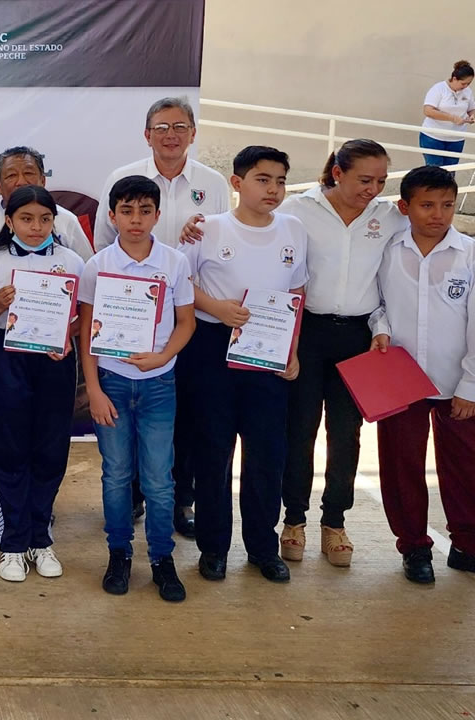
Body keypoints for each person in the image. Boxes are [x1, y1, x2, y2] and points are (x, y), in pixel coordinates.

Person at [97, 97, 229, 536]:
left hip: (192, 317)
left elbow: (220, 250)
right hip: (131, 321)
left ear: (193, 132)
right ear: (146, 133)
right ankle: (132, 497)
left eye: (179, 126)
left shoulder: (211, 184)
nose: (170, 134)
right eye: (160, 127)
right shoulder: (122, 179)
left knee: (184, 413)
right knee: (129, 416)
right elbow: (103, 246)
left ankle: (179, 500)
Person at [178, 146, 307, 584]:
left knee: (266, 455)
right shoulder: (207, 230)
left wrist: (291, 350)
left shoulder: (293, 230)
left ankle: (262, 548)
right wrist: (217, 307)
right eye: (262, 179)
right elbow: (182, 285)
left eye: (280, 181)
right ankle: (213, 548)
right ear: (236, 183)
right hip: (213, 349)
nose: (273, 189)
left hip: (268, 351)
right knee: (213, 452)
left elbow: (298, 294)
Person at [0, 146, 94, 525]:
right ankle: (2, 501)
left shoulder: (66, 227)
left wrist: (67, 336)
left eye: (29, 173)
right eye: (12, 176)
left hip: (54, 352)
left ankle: (39, 508)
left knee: (50, 432)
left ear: (44, 179)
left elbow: (83, 296)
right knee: (0, 429)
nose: (35, 227)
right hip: (2, 350)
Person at [79, 175, 195, 603]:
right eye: (126, 211)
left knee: (159, 479)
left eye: (145, 211)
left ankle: (163, 559)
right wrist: (93, 388)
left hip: (158, 385)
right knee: (117, 475)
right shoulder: (98, 265)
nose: (136, 219)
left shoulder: (174, 263)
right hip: (111, 382)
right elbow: (88, 331)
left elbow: (187, 322)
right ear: (112, 216)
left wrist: (163, 357)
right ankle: (119, 554)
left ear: (157, 215)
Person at [0, 186, 84, 582]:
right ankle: (13, 544)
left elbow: (84, 317)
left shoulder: (72, 261)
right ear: (9, 221)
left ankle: (41, 538)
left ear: (55, 221)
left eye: (44, 219)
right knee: (9, 449)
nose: (36, 227)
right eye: (26, 219)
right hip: (7, 359)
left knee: (51, 448)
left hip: (55, 361)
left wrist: (67, 334)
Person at [370, 165, 475, 583]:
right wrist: (380, 330)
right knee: (401, 465)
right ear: (404, 206)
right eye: (427, 205)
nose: (438, 214)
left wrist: (470, 385)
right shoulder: (388, 251)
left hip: (458, 383)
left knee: (465, 466)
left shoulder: (469, 254)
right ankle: (414, 547)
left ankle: (467, 543)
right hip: (401, 378)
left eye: (447, 205)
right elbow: (375, 302)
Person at [420, 61, 475, 167]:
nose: (466, 86)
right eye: (463, 83)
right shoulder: (438, 89)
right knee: (434, 171)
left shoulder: (467, 92)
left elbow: (472, 109)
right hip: (433, 137)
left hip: (456, 138)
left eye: (469, 84)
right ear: (454, 79)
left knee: (450, 171)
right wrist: (452, 118)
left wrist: (472, 116)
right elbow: (428, 111)